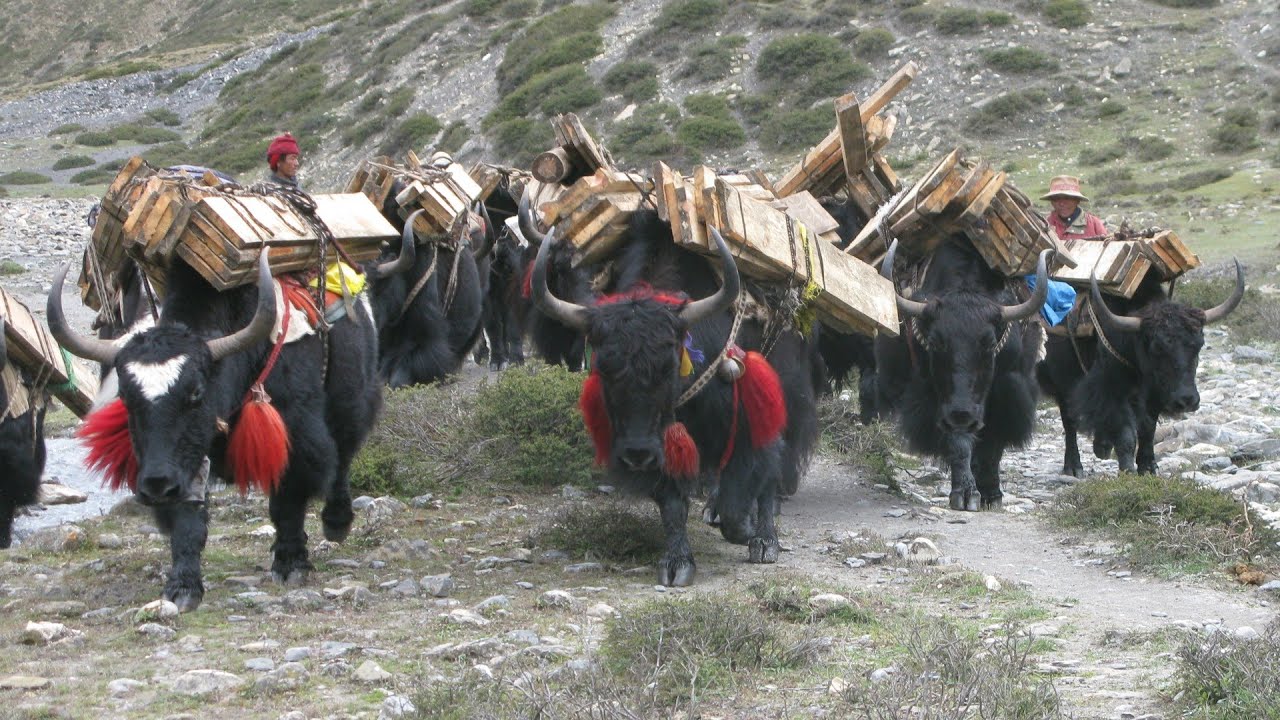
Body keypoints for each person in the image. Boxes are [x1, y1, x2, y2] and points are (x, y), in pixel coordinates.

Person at [1041, 175, 1106, 241]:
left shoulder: (1094, 224)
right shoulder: (1045, 225)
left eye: (1067, 198)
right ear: (1051, 201)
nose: (1061, 203)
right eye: (1056, 199)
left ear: (1077, 200)